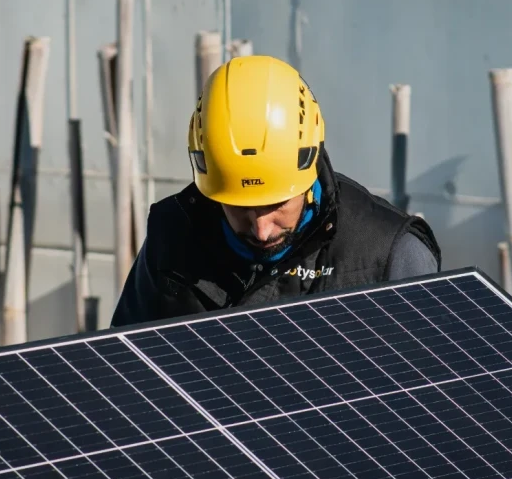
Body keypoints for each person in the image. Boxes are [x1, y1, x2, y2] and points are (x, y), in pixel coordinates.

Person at [110, 55, 441, 328]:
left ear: (308, 166)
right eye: (238, 206)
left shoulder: (390, 255)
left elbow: (433, 389)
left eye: (276, 204)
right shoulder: (174, 233)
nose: (261, 229)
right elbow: (123, 370)